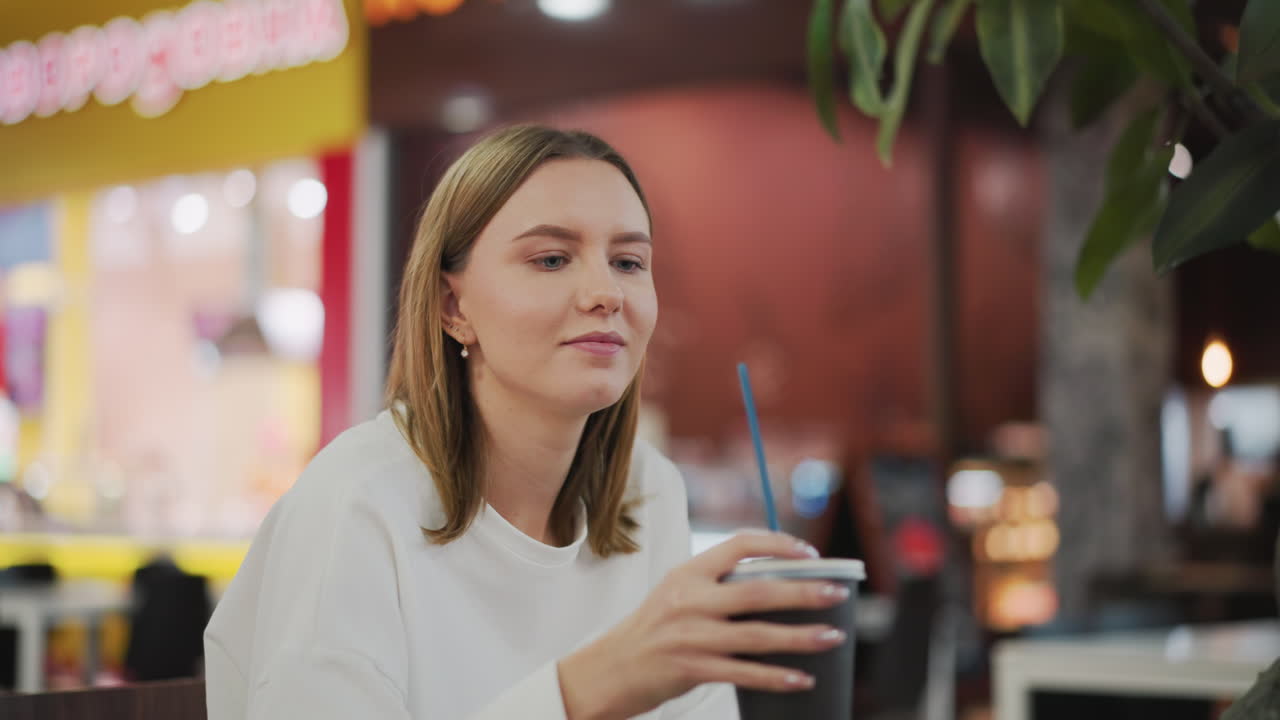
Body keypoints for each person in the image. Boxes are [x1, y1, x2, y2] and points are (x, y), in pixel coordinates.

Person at [203, 125, 851, 719]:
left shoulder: (648, 490)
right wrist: (585, 688)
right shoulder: (356, 501)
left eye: (628, 262)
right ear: (453, 307)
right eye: (551, 259)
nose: (606, 293)